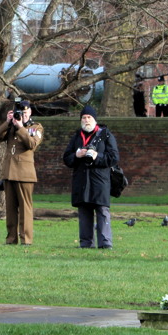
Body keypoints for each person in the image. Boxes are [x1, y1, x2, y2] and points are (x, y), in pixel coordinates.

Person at [63, 105, 119, 249]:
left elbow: (113, 158)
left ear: (94, 119)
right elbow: (66, 158)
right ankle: (86, 243)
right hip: (81, 180)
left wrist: (97, 156)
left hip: (100, 180)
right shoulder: (77, 137)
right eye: (83, 118)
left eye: (89, 117)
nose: (86, 120)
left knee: (102, 211)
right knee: (84, 212)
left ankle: (105, 243)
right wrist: (77, 155)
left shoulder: (106, 135)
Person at [0, 99, 43, 245]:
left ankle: (26, 239)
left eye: (25, 113)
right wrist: (7, 122)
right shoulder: (11, 126)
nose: (23, 116)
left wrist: (21, 127)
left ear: (30, 112)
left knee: (25, 208)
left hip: (25, 174)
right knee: (10, 209)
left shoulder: (36, 127)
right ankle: (11, 238)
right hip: (9, 172)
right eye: (21, 113)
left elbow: (31, 144)